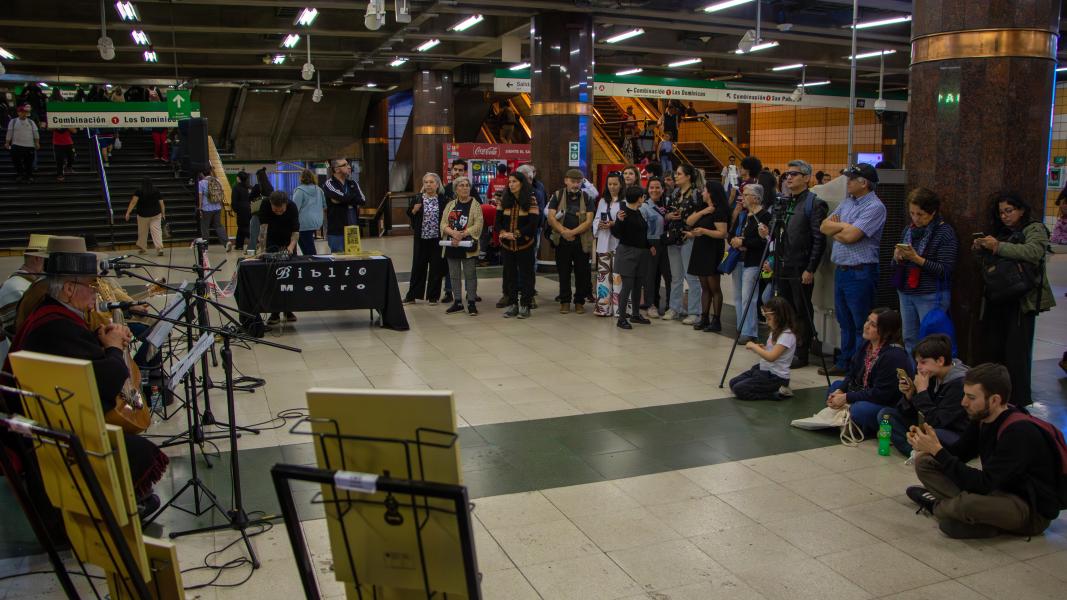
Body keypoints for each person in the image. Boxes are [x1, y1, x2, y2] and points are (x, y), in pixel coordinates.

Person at [5, 247, 169, 518]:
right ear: (69, 289)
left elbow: (80, 357)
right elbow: (105, 381)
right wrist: (113, 347)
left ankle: (120, 503)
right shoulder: (56, 325)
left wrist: (101, 339)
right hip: (52, 436)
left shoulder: (52, 313)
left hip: (52, 420)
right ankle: (109, 512)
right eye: (91, 286)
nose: (96, 293)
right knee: (141, 452)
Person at [906, 363, 1063, 539]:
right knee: (924, 461)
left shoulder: (1019, 432)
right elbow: (960, 453)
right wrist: (929, 445)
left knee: (967, 504)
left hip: (1027, 508)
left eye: (971, 397)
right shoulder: (982, 418)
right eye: (964, 395)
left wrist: (938, 451)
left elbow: (983, 484)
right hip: (995, 492)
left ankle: (937, 506)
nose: (963, 402)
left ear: (995, 400)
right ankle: (974, 519)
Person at [973, 192, 1055, 407]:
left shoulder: (1034, 228)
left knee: (1017, 353)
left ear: (1021, 210)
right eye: (1001, 212)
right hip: (999, 298)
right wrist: (982, 248)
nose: (1004, 216)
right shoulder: (1001, 232)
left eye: (1009, 211)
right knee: (995, 349)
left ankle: (1019, 399)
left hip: (1021, 301)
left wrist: (998, 246)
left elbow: (1034, 252)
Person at [819, 163, 886, 376]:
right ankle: (844, 362)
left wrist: (839, 229)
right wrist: (844, 227)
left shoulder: (875, 207)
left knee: (860, 324)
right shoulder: (847, 201)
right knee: (844, 321)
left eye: (851, 178)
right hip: (842, 270)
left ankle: (859, 367)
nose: (847, 182)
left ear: (864, 183)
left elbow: (851, 236)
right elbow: (823, 226)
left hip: (861, 272)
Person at [761, 159, 828, 368]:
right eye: (787, 174)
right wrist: (768, 238)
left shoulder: (814, 204)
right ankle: (783, 348)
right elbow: (778, 235)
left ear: (806, 178)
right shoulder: (784, 202)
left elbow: (819, 239)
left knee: (801, 310)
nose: (788, 177)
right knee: (783, 309)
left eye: (794, 174)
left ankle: (801, 351)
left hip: (800, 266)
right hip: (782, 265)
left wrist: (810, 268)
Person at [825, 308, 913, 435]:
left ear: (886, 332)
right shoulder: (866, 345)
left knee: (859, 409)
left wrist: (847, 397)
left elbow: (880, 394)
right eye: (867, 321)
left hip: (885, 404)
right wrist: (841, 390)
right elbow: (852, 373)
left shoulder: (894, 356)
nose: (866, 326)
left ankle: (864, 424)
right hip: (864, 392)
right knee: (835, 387)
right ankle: (851, 420)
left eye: (873, 325)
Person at [881, 334, 969, 458]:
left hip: (953, 433)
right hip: (930, 425)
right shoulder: (931, 374)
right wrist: (910, 396)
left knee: (932, 433)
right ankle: (914, 453)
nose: (918, 367)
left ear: (940, 361)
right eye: (917, 362)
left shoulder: (959, 384)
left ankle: (923, 454)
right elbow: (910, 414)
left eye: (923, 362)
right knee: (886, 415)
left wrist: (922, 392)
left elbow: (938, 422)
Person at [892, 188, 959, 352]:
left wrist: (917, 259)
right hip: (906, 292)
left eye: (920, 214)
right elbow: (895, 265)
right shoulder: (908, 230)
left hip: (930, 294)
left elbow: (945, 270)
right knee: (909, 338)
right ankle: (912, 368)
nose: (915, 218)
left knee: (930, 342)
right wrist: (897, 257)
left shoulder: (944, 232)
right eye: (912, 213)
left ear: (932, 212)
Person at [730, 296, 797, 400]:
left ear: (780, 317)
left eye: (769, 318)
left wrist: (754, 346)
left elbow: (771, 357)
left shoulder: (787, 336)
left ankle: (775, 393)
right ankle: (770, 389)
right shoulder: (775, 331)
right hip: (764, 370)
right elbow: (774, 352)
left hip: (775, 377)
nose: (767, 322)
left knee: (739, 389)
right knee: (733, 383)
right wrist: (763, 348)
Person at [684, 180, 730, 332]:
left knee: (714, 287)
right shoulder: (704, 208)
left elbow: (722, 233)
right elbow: (689, 221)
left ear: (710, 193)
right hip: (701, 248)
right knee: (704, 286)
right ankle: (704, 318)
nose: (702, 193)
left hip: (712, 249)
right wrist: (703, 212)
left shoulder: (719, 210)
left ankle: (716, 320)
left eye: (704, 190)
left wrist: (703, 231)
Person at [548, 169, 595, 314]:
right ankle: (565, 301)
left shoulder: (587, 197)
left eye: (578, 182)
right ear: (566, 181)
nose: (575, 185)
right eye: (573, 181)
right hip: (562, 241)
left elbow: (589, 221)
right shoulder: (557, 195)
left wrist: (572, 233)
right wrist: (564, 232)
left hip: (581, 242)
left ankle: (579, 302)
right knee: (563, 273)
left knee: (582, 273)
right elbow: (551, 217)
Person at [730, 183, 772, 344]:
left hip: (753, 260)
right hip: (737, 259)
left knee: (749, 297)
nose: (743, 198)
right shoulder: (743, 215)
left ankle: (749, 331)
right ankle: (741, 328)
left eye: (746, 195)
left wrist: (744, 242)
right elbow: (731, 233)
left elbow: (764, 241)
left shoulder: (765, 216)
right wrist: (734, 240)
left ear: (756, 198)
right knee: (738, 296)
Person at [0, 235, 49, 364]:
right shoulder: (16, 288)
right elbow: (21, 335)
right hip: (17, 364)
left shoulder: (28, 284)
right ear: (38, 258)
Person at [497, 171, 539, 318]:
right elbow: (497, 222)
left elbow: (533, 224)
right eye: (509, 182)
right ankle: (512, 304)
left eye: (514, 181)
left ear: (522, 183)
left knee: (527, 275)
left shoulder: (531, 199)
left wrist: (516, 234)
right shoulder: (504, 199)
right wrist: (503, 232)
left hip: (524, 244)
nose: (511, 184)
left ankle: (525, 305)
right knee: (510, 275)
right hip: (507, 245)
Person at [667, 165, 705, 324]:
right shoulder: (675, 193)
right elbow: (667, 212)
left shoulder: (697, 194)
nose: (676, 176)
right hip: (673, 238)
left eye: (679, 174)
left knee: (692, 277)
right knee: (676, 277)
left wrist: (694, 232)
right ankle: (675, 308)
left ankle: (695, 312)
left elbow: (701, 216)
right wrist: (669, 216)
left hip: (689, 238)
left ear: (688, 176)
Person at [440, 176, 483, 316]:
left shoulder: (475, 204)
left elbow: (478, 225)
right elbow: (443, 224)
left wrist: (462, 234)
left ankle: (471, 303)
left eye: (467, 185)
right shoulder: (450, 205)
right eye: (461, 185)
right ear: (456, 189)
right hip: (452, 244)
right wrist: (453, 233)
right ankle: (457, 302)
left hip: (467, 245)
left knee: (470, 275)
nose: (465, 188)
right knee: (454, 275)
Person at [611, 186, 652, 329]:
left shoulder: (638, 212)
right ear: (639, 198)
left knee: (637, 286)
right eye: (643, 196)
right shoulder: (623, 213)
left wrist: (649, 246)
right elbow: (617, 233)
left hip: (641, 252)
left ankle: (635, 314)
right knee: (627, 286)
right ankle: (621, 318)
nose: (644, 198)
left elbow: (641, 233)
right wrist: (619, 220)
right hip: (627, 253)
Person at [405, 173, 449, 305]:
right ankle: (412, 296)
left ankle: (433, 296)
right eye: (426, 182)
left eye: (431, 182)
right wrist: (414, 210)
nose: (428, 185)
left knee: (436, 268)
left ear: (437, 185)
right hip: (421, 239)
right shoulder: (418, 198)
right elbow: (409, 213)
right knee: (418, 267)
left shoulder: (444, 199)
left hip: (437, 239)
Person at [257, 191, 300, 324]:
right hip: (271, 242)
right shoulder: (265, 205)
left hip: (288, 242)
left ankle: (288, 310)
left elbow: (295, 231)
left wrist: (291, 247)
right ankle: (274, 312)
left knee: (289, 277)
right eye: (275, 210)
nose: (278, 213)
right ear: (270, 204)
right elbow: (263, 229)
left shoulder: (292, 207)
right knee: (272, 278)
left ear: (286, 204)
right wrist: (262, 250)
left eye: (281, 210)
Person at [593, 173, 624, 317]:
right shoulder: (602, 201)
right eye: (610, 184)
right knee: (603, 275)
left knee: (618, 276)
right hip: (604, 242)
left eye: (615, 184)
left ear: (621, 185)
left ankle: (619, 309)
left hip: (618, 243)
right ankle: (603, 307)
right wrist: (598, 224)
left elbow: (626, 222)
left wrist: (612, 223)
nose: (612, 187)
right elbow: (596, 218)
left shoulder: (624, 201)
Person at [322, 158, 366, 253]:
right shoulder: (329, 184)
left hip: (353, 229)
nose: (349, 167)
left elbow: (362, 200)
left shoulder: (353, 183)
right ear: (336, 169)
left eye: (348, 164)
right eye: (345, 165)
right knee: (339, 258)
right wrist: (352, 198)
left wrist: (342, 200)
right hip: (337, 230)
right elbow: (350, 198)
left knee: (353, 257)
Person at [640, 177, 669, 317]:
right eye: (651, 187)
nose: (654, 190)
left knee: (668, 276)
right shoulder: (644, 207)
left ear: (663, 189)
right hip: (651, 243)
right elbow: (641, 229)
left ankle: (671, 305)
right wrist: (648, 245)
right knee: (650, 276)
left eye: (658, 187)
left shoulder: (668, 204)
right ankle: (650, 304)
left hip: (667, 244)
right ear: (648, 189)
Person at [124, 177, 166, 256]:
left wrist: (128, 213)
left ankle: (143, 249)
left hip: (142, 215)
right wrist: (163, 214)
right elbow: (161, 203)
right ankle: (159, 248)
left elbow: (133, 202)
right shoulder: (156, 190)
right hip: (156, 214)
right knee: (157, 231)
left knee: (142, 232)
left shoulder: (139, 190)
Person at [292, 168, 326, 256]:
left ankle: (313, 262)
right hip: (317, 222)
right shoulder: (319, 190)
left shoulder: (299, 191)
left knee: (308, 249)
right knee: (308, 246)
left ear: (301, 178)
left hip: (303, 223)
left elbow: (294, 208)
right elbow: (325, 206)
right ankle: (311, 261)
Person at [5, 103, 39, 183]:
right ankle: (20, 174)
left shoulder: (31, 122)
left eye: (25, 112)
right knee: (16, 161)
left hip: (29, 146)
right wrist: (7, 142)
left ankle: (29, 175)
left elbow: (35, 133)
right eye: (22, 112)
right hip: (16, 145)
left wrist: (37, 143)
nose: (24, 113)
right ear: (18, 112)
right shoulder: (13, 121)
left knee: (29, 162)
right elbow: (9, 132)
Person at [197, 168, 230, 250]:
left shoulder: (201, 183)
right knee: (218, 226)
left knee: (205, 227)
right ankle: (226, 242)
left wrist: (200, 208)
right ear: (211, 173)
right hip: (217, 207)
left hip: (206, 209)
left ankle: (205, 247)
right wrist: (221, 205)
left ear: (202, 174)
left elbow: (200, 196)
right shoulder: (217, 181)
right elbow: (221, 193)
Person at [247, 167, 273, 254]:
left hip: (258, 213)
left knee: (254, 234)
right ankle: (266, 250)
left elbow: (250, 198)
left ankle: (251, 251)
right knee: (266, 234)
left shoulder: (257, 187)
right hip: (268, 214)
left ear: (258, 177)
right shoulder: (270, 187)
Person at [231, 171, 252, 252]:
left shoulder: (236, 188)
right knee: (242, 227)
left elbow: (234, 201)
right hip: (249, 209)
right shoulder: (249, 187)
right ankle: (239, 245)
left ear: (238, 178)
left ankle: (255, 241)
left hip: (241, 209)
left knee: (243, 227)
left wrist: (235, 209)